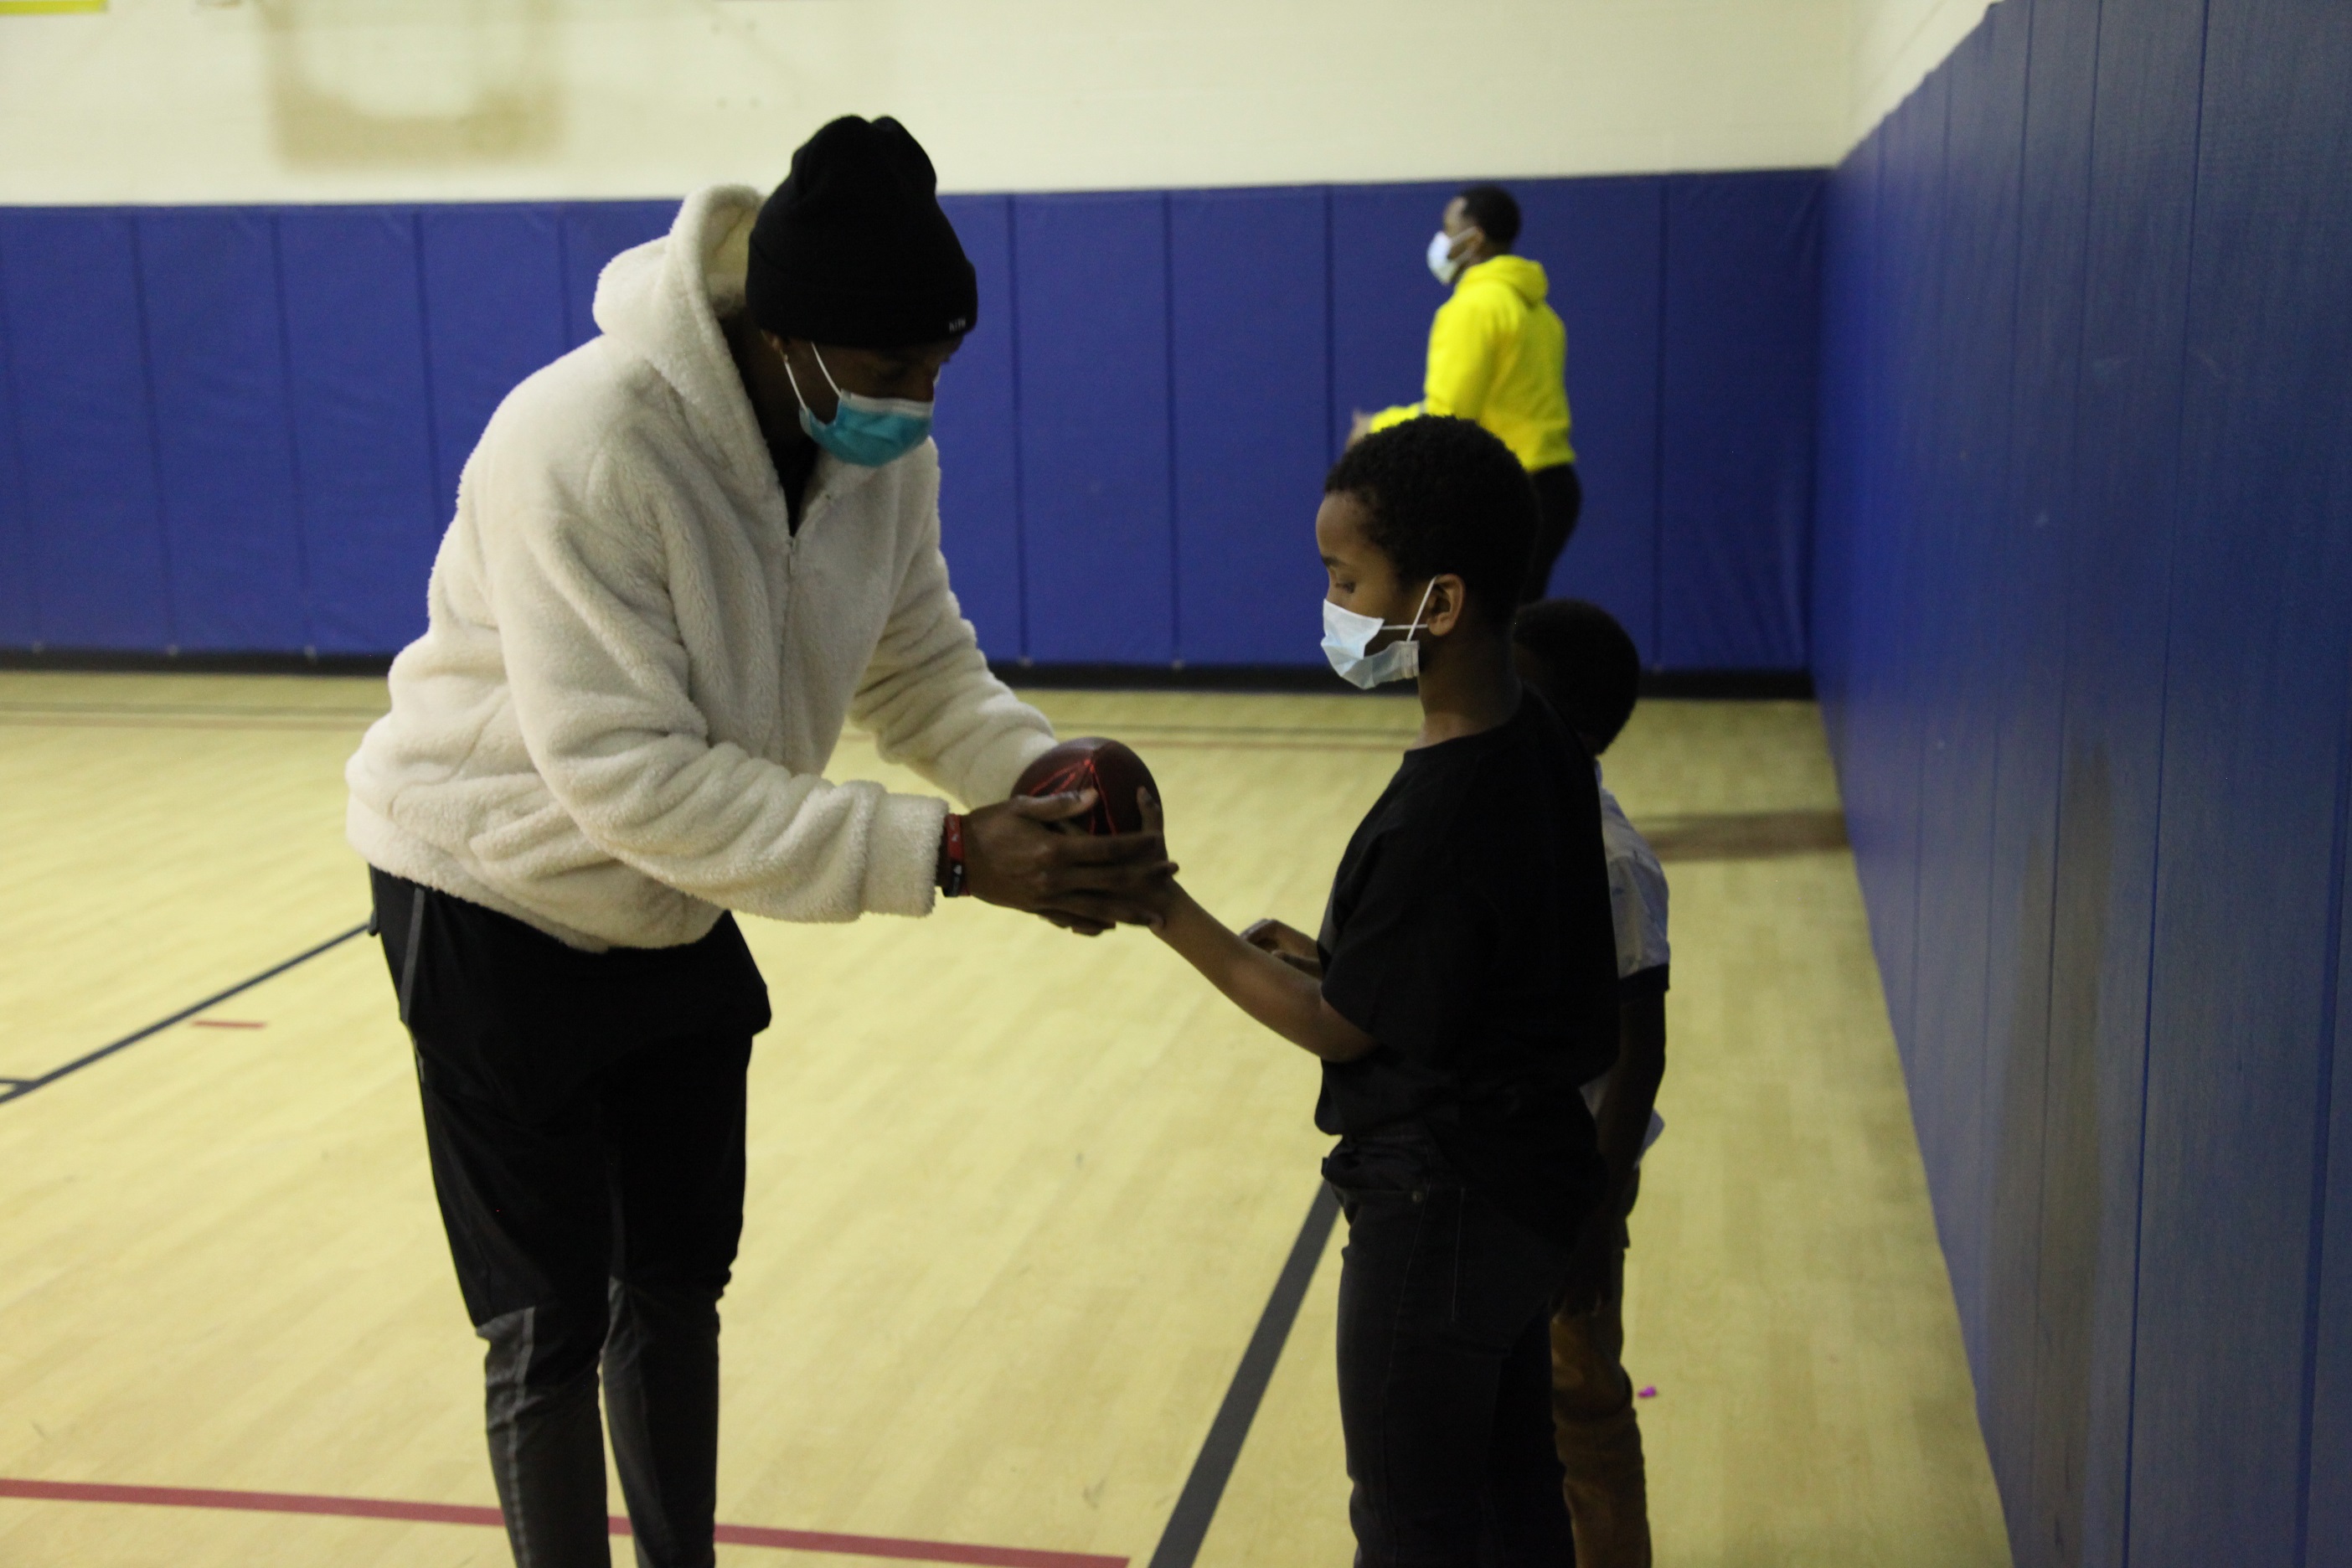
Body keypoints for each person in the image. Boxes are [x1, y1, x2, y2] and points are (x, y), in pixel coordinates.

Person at [344, 116, 1170, 1568]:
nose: (920, 403)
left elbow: (915, 666)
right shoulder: (581, 440)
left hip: (669, 903)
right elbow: (624, 774)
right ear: (785, 336)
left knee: (672, 1281)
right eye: (897, 369)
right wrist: (951, 854)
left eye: (941, 369)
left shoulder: (876, 452)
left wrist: (1036, 772)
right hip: (487, 890)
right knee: (544, 1311)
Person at [1135, 416, 1620, 1563]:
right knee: (1516, 1488)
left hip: (1437, 1208)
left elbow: (1340, 1028)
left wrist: (1161, 905)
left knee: (1412, 1520)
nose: (1335, 607)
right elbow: (1471, 971)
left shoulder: (1441, 812)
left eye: (1346, 580)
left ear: (1440, 604)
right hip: (1527, 1186)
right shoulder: (1540, 739)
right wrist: (1332, 954)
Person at [1513, 597, 1669, 1568]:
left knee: (1581, 1399)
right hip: (1503, 1168)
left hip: (1574, 1182)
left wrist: (1595, 1218)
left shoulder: (1610, 861)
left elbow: (1640, 1052)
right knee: (1509, 1401)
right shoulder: (1509, 826)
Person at [1351, 184, 1581, 603]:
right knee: (1515, 625)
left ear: (1472, 239)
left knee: (1481, 634)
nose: (1439, 240)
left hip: (1506, 494)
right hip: (1554, 490)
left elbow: (1447, 420)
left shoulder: (1472, 308)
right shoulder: (1541, 313)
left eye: (1446, 228)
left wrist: (1374, 429)